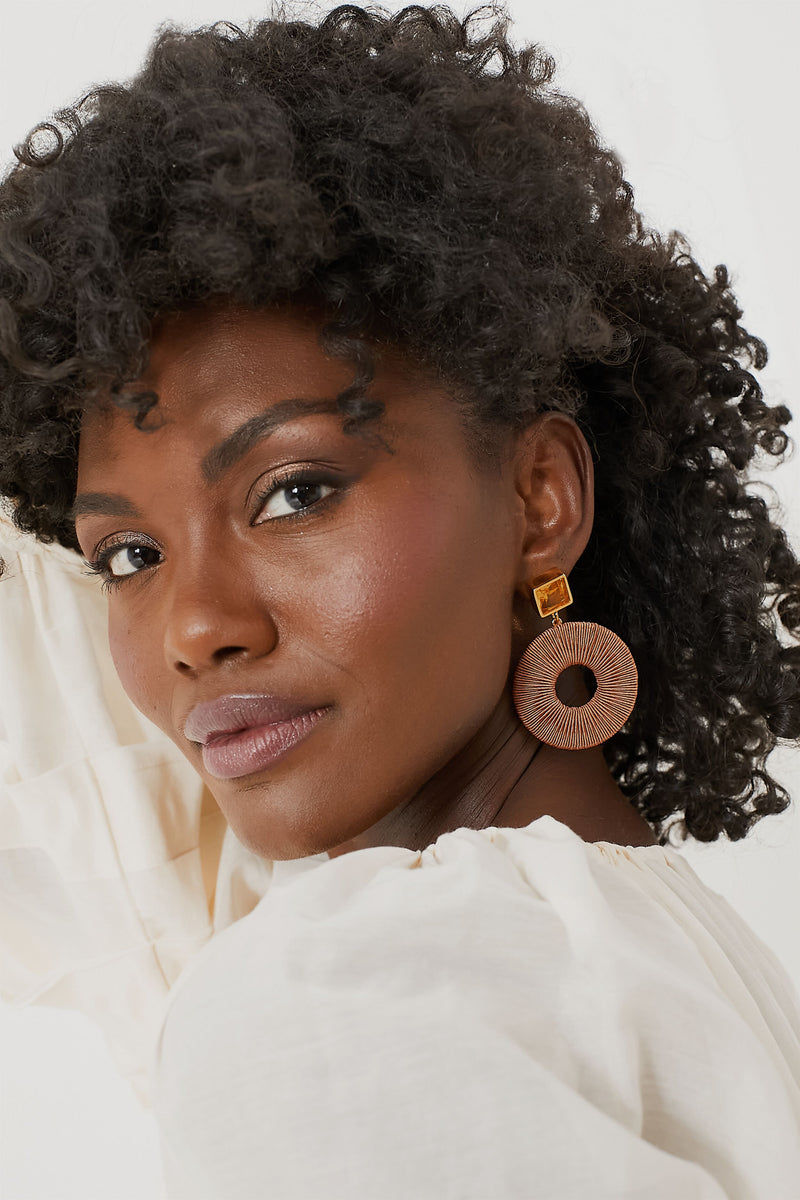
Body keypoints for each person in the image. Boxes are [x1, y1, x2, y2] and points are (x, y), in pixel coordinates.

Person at [1, 3, 799, 1196]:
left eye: (293, 492)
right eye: (126, 556)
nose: (194, 629)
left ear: (537, 496)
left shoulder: (332, 999)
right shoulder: (654, 947)